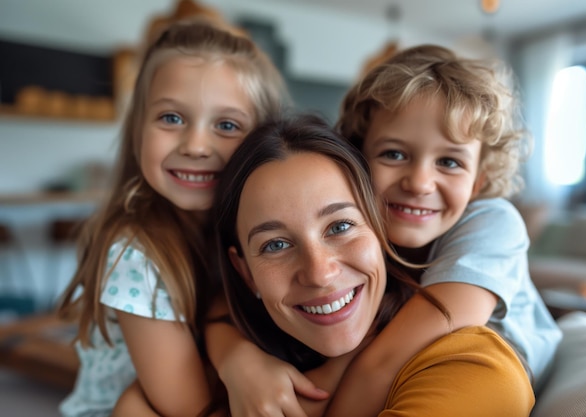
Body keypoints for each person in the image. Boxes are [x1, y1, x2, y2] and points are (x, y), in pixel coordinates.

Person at [209, 44, 562, 417]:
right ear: (359, 163)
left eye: (449, 161)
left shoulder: (491, 223)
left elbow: (384, 360)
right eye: (394, 154)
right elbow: (219, 303)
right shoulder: (368, 241)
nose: (420, 183)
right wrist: (234, 355)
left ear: (477, 183)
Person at [56, 19, 287, 417]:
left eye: (227, 125)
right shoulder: (133, 253)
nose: (196, 145)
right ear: (137, 129)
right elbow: (188, 408)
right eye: (172, 118)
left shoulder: (252, 234)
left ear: (262, 141)